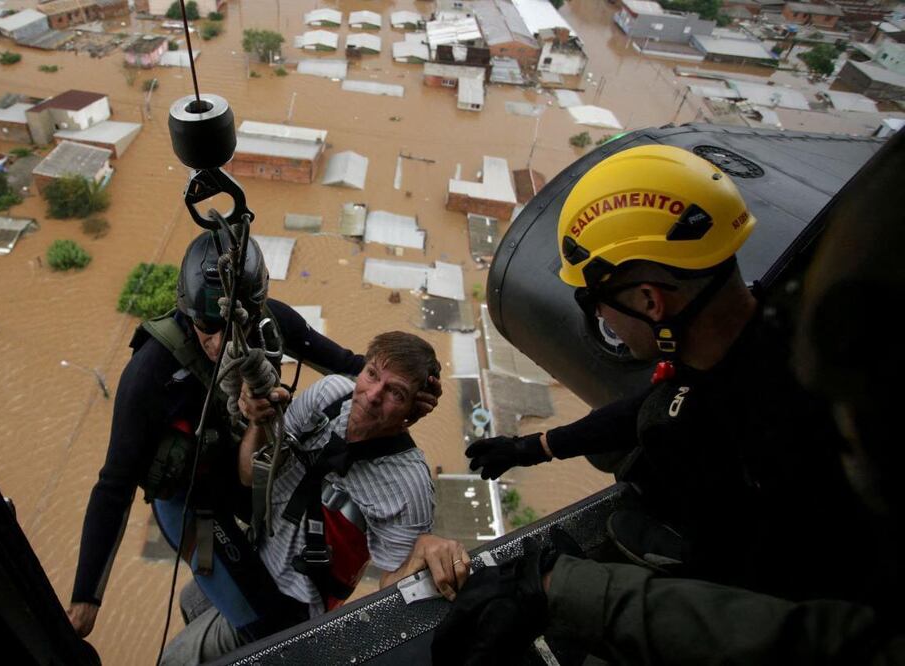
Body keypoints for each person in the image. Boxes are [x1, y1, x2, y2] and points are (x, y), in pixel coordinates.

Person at [435, 137, 905, 665]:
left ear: (649, 301)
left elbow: (759, 617)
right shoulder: (749, 343)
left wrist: (567, 591)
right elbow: (655, 404)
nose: (605, 324)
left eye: (597, 305)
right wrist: (535, 447)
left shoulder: (781, 442)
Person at [67, 230, 440, 643]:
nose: (221, 341)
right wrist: (87, 598)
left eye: (233, 325)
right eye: (208, 326)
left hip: (250, 479)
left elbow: (355, 369)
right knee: (274, 631)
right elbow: (114, 484)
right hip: (192, 500)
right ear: (186, 312)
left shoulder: (271, 324)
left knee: (268, 596)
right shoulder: (151, 374)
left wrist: (418, 392)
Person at [161, 332, 469, 664]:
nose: (373, 395)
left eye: (396, 392)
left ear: (411, 411)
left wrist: (422, 553)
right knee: (192, 602)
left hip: (290, 606)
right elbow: (250, 475)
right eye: (372, 374)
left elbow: (393, 590)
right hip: (254, 553)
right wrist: (258, 420)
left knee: (176, 659)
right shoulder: (329, 396)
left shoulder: (409, 484)